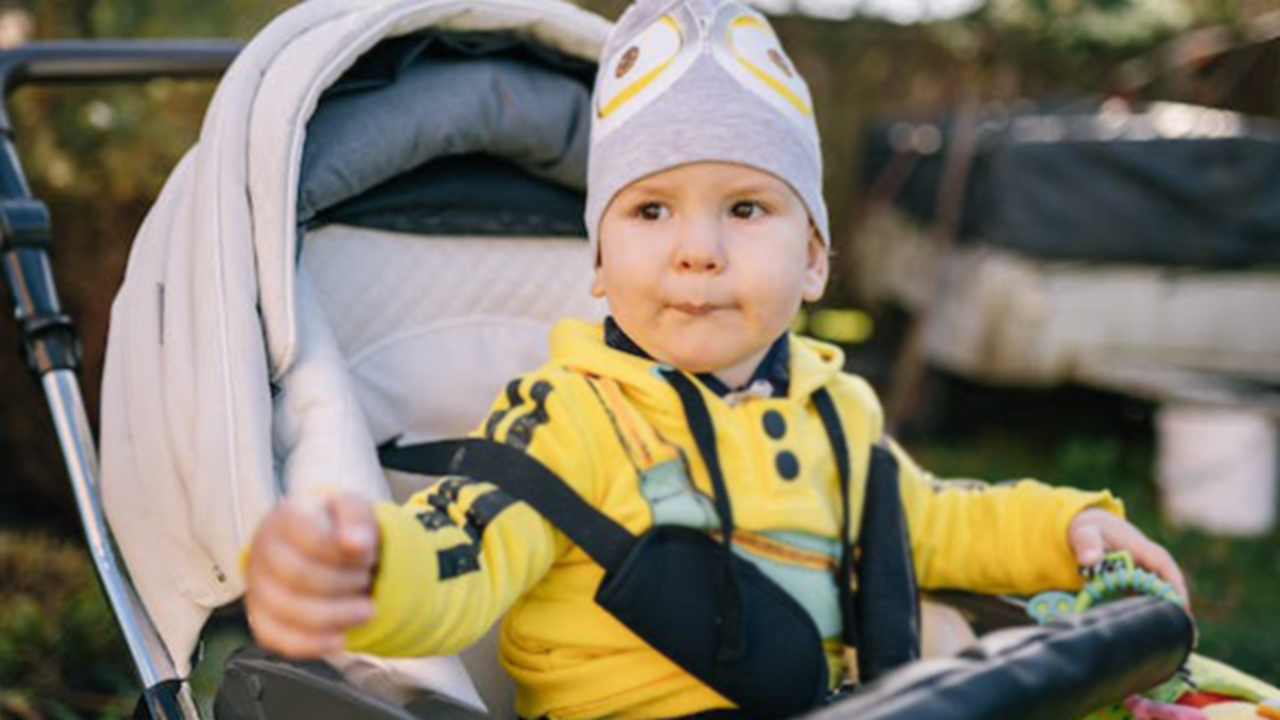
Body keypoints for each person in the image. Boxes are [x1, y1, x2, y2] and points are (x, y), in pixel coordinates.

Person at [244, 1, 1189, 718]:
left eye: (746, 208)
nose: (697, 249)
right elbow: (463, 554)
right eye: (650, 210)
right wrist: (366, 571)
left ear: (814, 257)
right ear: (602, 265)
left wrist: (1069, 529)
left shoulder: (835, 415)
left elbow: (932, 523)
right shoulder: (569, 420)